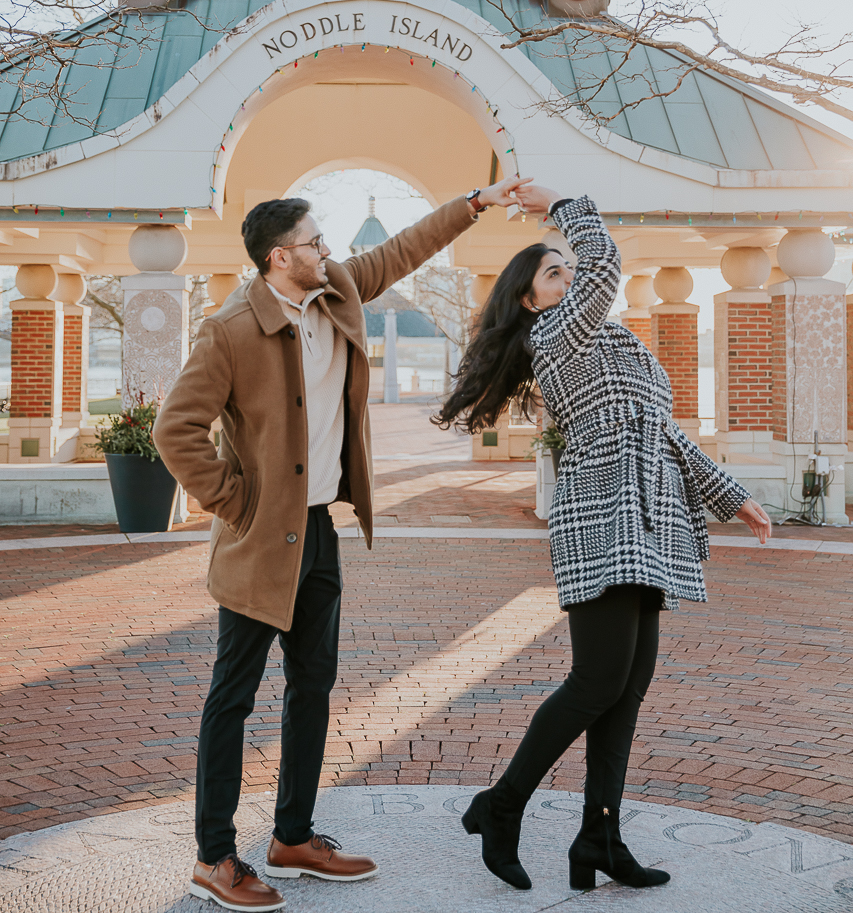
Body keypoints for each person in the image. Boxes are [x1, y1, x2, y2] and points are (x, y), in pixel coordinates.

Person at [153, 176, 527, 911]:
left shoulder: (339, 291)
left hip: (320, 530)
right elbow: (176, 431)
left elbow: (404, 250)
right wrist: (238, 504)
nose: (328, 251)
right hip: (261, 543)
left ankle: (292, 836)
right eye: (313, 243)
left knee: (312, 688)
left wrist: (471, 202)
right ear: (276, 259)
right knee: (231, 698)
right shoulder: (229, 331)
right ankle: (214, 857)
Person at [436, 186, 771, 894]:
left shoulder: (615, 342)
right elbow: (605, 264)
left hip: (648, 519)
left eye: (567, 266)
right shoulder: (556, 336)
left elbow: (664, 430)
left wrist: (732, 497)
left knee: (625, 689)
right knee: (595, 680)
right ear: (530, 301)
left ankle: (600, 836)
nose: (569, 275)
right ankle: (499, 808)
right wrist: (566, 207)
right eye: (553, 271)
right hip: (602, 515)